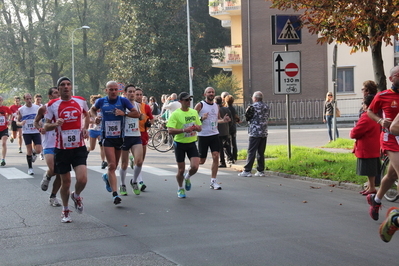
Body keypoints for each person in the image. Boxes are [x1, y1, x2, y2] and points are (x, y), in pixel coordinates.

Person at [44, 77, 89, 223]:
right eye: (62, 85)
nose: (66, 87)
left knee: (82, 179)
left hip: (78, 147)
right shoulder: (52, 105)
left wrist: (85, 128)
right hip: (61, 148)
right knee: (66, 182)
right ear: (58, 89)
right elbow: (46, 126)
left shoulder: (80, 101)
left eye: (68, 84)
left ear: (71, 87)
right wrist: (55, 124)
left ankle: (76, 196)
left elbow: (87, 115)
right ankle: (65, 210)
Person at [90, 81, 140, 205]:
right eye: (110, 89)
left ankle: (107, 177)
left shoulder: (123, 101)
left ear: (118, 90)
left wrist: (125, 113)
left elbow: (136, 113)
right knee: (112, 165)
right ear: (106, 90)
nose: (113, 92)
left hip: (119, 137)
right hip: (107, 137)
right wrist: (95, 117)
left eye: (115, 89)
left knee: (115, 165)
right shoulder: (101, 101)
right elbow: (92, 110)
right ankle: (115, 194)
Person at [367, 65, 399, 227]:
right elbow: (369, 112)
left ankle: (376, 200)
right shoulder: (383, 95)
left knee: (392, 175)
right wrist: (380, 121)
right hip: (390, 138)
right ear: (392, 78)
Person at [166, 92, 202, 198]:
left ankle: (188, 177)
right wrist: (184, 130)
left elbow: (200, 127)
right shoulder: (176, 114)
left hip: (191, 143)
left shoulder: (194, 112)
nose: (188, 102)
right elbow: (170, 130)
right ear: (180, 101)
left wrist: (196, 127)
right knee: (180, 170)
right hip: (179, 144)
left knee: (195, 166)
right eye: (186, 100)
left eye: (189, 100)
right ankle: (180, 188)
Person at [194, 87, 230, 190]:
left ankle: (213, 181)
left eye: (213, 92)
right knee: (201, 161)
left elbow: (217, 120)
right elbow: (192, 119)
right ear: (205, 94)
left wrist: (224, 120)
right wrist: (201, 118)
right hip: (203, 135)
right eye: (209, 92)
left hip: (214, 134)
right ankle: (192, 167)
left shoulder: (216, 106)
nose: (211, 93)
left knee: (216, 156)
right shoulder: (200, 105)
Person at [34, 87, 62, 207]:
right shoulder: (43, 108)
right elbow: (36, 121)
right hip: (49, 143)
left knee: (61, 173)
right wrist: (39, 128)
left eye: (58, 92)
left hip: (62, 144)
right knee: (54, 170)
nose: (58, 94)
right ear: (50, 96)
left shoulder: (65, 107)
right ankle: (48, 175)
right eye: (55, 93)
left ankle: (53, 196)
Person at [350, 95, 380, 196]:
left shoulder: (366, 117)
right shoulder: (377, 115)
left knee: (369, 169)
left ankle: (371, 187)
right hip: (374, 145)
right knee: (371, 168)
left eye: (363, 103)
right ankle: (369, 186)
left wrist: (352, 131)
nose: (362, 105)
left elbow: (355, 133)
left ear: (367, 106)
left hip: (366, 147)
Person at [119, 84, 144, 196]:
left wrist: (142, 117)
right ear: (125, 93)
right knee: (124, 164)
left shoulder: (138, 105)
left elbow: (141, 116)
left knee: (139, 161)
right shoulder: (121, 104)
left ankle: (134, 181)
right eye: (130, 91)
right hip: (124, 137)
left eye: (134, 91)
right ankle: (122, 184)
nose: (132, 93)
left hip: (136, 135)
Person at [238, 91, 270, 177]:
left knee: (251, 151)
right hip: (263, 132)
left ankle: (247, 170)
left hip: (255, 132)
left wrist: (246, 111)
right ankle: (260, 170)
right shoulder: (266, 107)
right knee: (261, 152)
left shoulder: (252, 107)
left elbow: (247, 118)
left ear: (255, 98)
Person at [133, 87, 154, 192]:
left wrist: (149, 123)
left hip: (143, 134)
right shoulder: (130, 106)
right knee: (138, 160)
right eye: (137, 94)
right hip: (132, 134)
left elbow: (152, 118)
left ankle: (135, 179)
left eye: (141, 94)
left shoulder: (146, 107)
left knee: (141, 160)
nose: (139, 96)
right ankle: (139, 181)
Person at [17, 93, 42, 175]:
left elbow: (41, 118)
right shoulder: (21, 109)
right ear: (24, 100)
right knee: (29, 149)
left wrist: (40, 122)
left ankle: (34, 153)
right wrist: (21, 123)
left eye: (30, 98)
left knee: (39, 150)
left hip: (36, 131)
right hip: (27, 132)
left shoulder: (37, 108)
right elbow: (17, 121)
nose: (29, 100)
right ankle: (30, 168)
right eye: (27, 99)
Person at [87, 94, 107, 169]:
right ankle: (87, 150)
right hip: (93, 130)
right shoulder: (90, 111)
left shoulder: (103, 109)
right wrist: (93, 122)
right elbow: (86, 121)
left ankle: (103, 161)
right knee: (92, 147)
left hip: (101, 130)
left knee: (102, 146)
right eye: (95, 102)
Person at [215, 96, 233, 167]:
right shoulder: (226, 109)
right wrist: (228, 127)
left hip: (218, 131)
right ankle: (231, 158)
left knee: (220, 148)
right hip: (226, 130)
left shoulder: (215, 110)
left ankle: (222, 162)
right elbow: (230, 120)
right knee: (227, 145)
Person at [224, 95, 240, 162]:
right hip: (233, 127)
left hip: (227, 127)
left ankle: (229, 156)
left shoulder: (226, 109)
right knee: (234, 142)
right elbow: (236, 117)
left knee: (227, 142)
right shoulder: (233, 108)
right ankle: (235, 156)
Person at [0, 96, 12, 166]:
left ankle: (3, 159)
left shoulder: (5, 108)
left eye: (0, 100)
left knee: (3, 143)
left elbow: (11, 114)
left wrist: (9, 120)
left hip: (4, 128)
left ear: (2, 100)